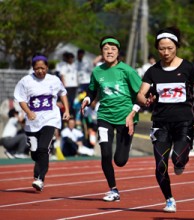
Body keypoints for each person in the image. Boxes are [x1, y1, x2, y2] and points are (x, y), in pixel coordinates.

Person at [128, 27, 194, 213]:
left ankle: (183, 158)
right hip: (161, 123)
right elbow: (141, 94)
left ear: (176, 47)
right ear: (157, 49)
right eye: (162, 49)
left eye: (170, 48)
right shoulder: (153, 71)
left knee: (178, 159)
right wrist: (145, 100)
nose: (166, 52)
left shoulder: (188, 68)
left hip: (184, 122)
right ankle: (169, 199)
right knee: (160, 165)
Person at [80, 36, 142, 202]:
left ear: (118, 52)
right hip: (104, 117)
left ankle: (122, 154)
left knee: (120, 160)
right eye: (106, 49)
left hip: (126, 119)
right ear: (101, 52)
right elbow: (92, 91)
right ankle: (113, 189)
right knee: (105, 153)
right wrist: (87, 99)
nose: (109, 52)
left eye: (113, 49)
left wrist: (134, 111)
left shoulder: (127, 71)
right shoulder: (97, 71)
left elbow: (141, 95)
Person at [14, 53, 70, 192]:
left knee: (43, 149)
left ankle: (39, 179)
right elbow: (21, 99)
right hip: (32, 122)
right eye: (37, 68)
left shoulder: (54, 80)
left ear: (47, 67)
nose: (40, 71)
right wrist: (28, 112)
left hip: (50, 119)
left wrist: (67, 110)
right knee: (35, 153)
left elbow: (63, 93)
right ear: (33, 68)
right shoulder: (25, 81)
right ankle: (37, 166)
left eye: (43, 68)